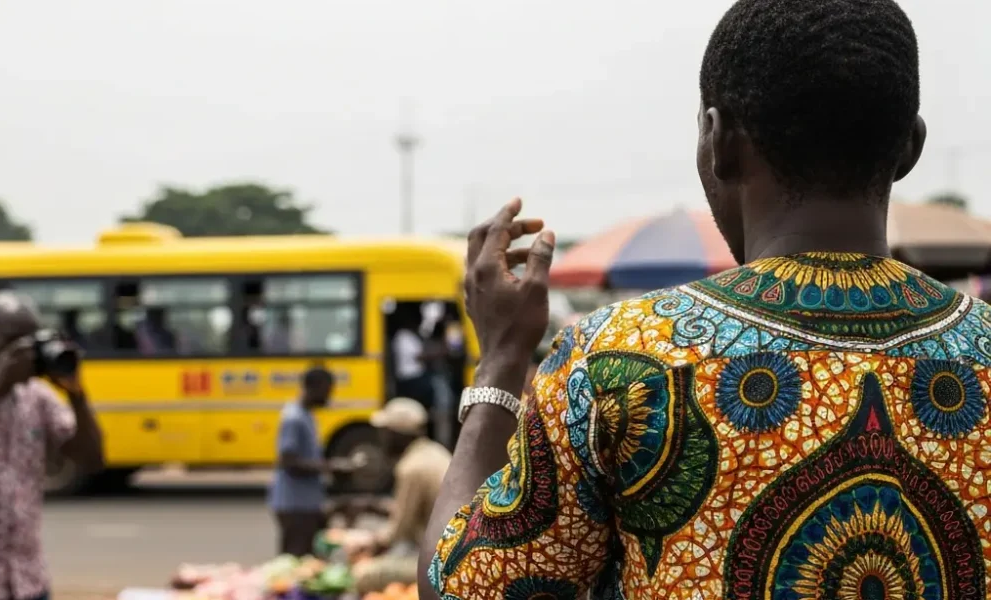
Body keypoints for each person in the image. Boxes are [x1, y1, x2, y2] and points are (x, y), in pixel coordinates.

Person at [419, 1, 989, 598]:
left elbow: (457, 589)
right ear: (910, 147)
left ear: (720, 141)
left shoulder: (618, 362)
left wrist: (501, 358)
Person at [0, 290, 104, 600]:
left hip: (29, 581)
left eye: (32, 342)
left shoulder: (38, 398)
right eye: (13, 341)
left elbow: (91, 459)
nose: (26, 352)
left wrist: (77, 395)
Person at [344, 397, 450, 594]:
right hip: (452, 551)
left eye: (385, 432)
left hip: (440, 563)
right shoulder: (435, 452)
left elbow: (399, 531)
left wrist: (370, 545)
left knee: (361, 574)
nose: (381, 439)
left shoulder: (411, 467)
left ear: (398, 434)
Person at [268, 366, 361, 557]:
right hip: (295, 505)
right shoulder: (294, 418)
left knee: (312, 559)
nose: (329, 396)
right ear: (315, 387)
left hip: (307, 503)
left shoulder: (306, 415)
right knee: (296, 560)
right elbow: (289, 462)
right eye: (327, 390)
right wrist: (332, 466)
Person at [390, 306, 438, 409]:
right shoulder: (403, 336)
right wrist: (440, 352)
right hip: (410, 378)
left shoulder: (411, 335)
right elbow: (418, 356)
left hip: (415, 377)